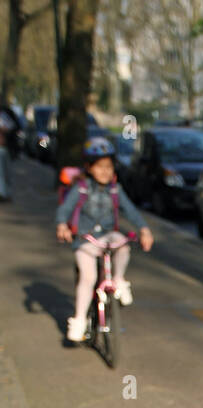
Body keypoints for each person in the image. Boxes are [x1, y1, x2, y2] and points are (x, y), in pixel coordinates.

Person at [55, 136, 154, 344]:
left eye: (109, 167)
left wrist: (144, 229)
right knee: (88, 278)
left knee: (124, 244)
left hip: (108, 236)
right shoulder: (81, 188)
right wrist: (62, 225)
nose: (105, 172)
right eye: (100, 167)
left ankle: (118, 279)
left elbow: (131, 211)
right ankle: (80, 320)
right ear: (89, 168)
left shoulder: (116, 189)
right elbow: (64, 210)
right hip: (85, 239)